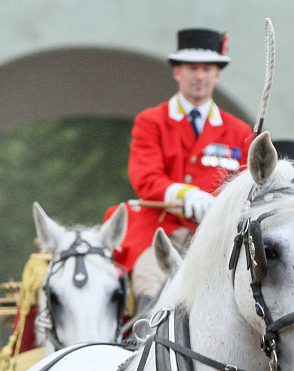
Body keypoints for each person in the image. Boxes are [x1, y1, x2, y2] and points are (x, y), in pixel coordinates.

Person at [105, 27, 252, 312]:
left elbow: (246, 185)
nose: (200, 76)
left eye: (207, 68)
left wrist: (221, 205)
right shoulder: (152, 121)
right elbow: (145, 177)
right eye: (192, 68)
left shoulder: (239, 130)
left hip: (215, 235)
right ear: (177, 73)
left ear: (217, 74)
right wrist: (184, 194)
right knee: (151, 295)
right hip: (160, 232)